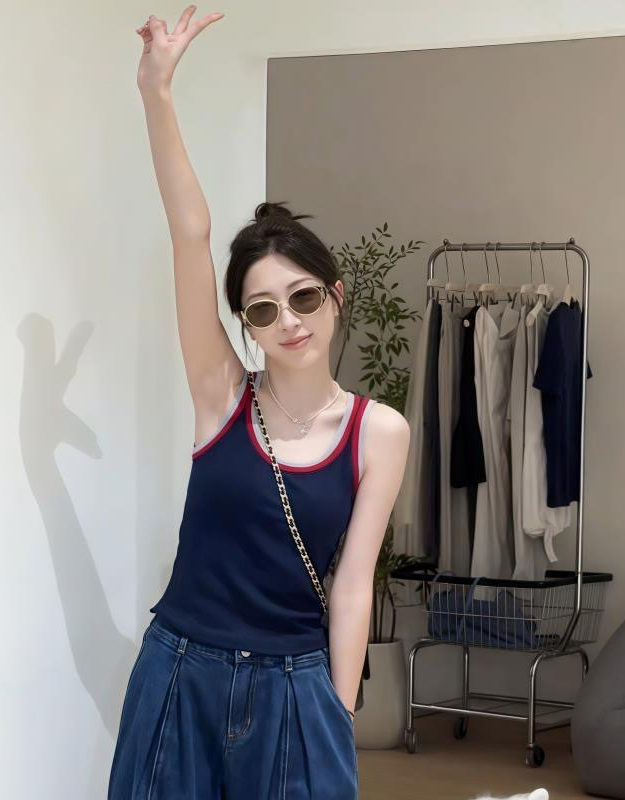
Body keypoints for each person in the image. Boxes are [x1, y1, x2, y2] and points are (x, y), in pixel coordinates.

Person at [107, 7, 410, 799]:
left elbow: (353, 583)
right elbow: (191, 235)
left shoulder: (379, 431)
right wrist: (157, 93)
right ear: (246, 325)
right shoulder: (221, 397)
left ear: (335, 295)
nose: (289, 322)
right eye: (264, 309)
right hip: (180, 673)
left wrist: (335, 714)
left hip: (295, 686)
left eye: (302, 297)